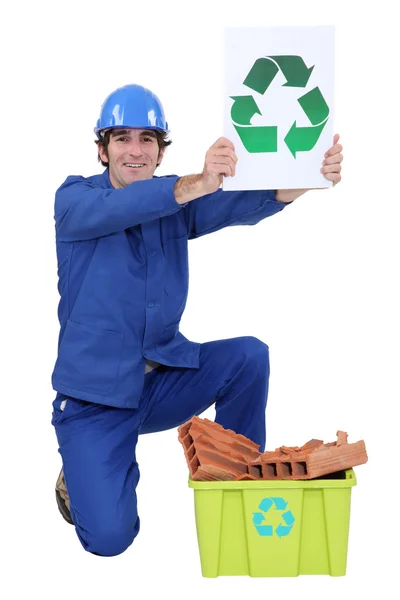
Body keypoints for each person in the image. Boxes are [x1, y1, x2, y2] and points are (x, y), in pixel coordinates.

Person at [51, 83, 343, 556]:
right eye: (121, 138)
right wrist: (195, 183)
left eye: (148, 139)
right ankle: (86, 468)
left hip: (161, 383)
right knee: (110, 540)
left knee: (248, 356)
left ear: (160, 151)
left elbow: (239, 201)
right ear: (102, 150)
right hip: (96, 401)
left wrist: (310, 175)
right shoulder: (74, 200)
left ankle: (240, 475)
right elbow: (123, 207)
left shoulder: (173, 207)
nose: (135, 149)